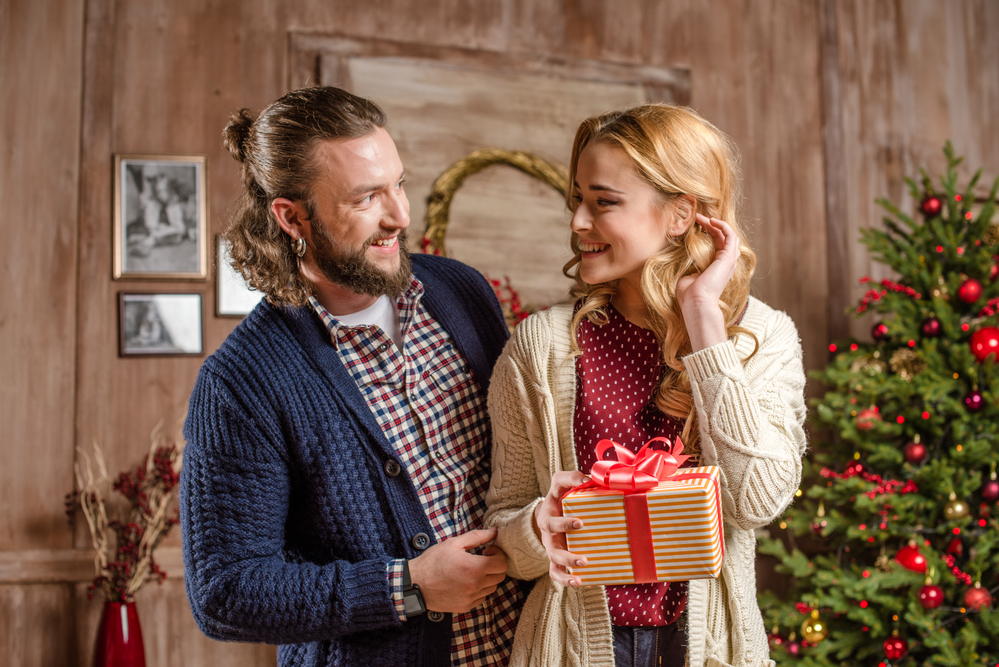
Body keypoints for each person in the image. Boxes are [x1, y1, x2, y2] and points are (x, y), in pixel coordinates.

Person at [180, 86, 526, 667]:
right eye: (367, 198)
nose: (400, 216)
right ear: (292, 217)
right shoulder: (242, 382)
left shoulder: (461, 291)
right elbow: (226, 592)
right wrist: (406, 586)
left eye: (399, 183)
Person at [484, 104, 807, 667]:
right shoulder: (539, 347)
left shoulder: (763, 336)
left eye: (603, 202)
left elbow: (757, 500)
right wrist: (537, 529)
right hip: (570, 647)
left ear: (680, 213)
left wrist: (705, 323)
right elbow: (503, 523)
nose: (578, 222)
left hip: (710, 647)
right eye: (577, 200)